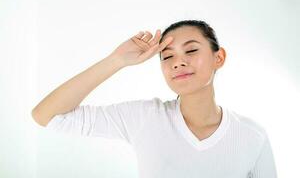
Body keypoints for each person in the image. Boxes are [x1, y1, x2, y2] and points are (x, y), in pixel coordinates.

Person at [32, 20, 278, 178]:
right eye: (167, 56)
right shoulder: (144, 118)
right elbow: (47, 115)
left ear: (219, 58)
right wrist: (116, 60)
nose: (178, 62)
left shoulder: (252, 136)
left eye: (191, 50)